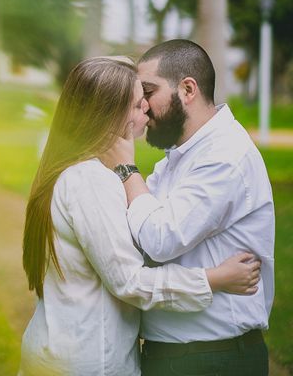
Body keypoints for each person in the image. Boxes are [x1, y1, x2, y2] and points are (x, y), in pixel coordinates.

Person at [19, 56, 261, 376]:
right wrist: (214, 279)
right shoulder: (89, 180)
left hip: (74, 352)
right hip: (89, 361)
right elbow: (129, 280)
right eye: (136, 104)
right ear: (107, 116)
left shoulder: (82, 171)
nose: (145, 108)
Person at [101, 40, 274, 376]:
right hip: (181, 357)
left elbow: (159, 238)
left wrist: (125, 168)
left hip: (213, 359)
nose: (143, 106)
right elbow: (135, 233)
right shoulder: (179, 156)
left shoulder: (225, 156)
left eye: (148, 91)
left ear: (188, 89)